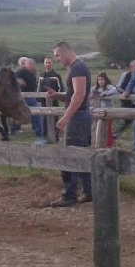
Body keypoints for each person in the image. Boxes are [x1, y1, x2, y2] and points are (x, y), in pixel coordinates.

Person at [47, 41, 92, 207]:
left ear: (65, 52)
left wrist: (66, 117)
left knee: (69, 156)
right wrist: (58, 95)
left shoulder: (77, 68)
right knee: (82, 154)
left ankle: (70, 194)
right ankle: (88, 191)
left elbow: (79, 94)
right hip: (82, 116)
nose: (57, 59)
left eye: (57, 55)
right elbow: (73, 93)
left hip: (78, 118)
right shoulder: (78, 67)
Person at [15, 57, 44, 143]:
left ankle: (38, 130)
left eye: (32, 64)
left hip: (32, 95)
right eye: (29, 64)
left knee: (36, 113)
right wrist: (19, 82)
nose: (31, 65)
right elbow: (14, 79)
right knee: (21, 112)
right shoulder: (20, 71)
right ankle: (15, 129)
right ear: (25, 64)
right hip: (24, 96)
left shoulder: (32, 72)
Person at [38, 56, 63, 141]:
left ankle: (56, 137)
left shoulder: (56, 76)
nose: (48, 64)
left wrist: (56, 96)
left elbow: (61, 88)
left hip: (54, 101)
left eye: (49, 62)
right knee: (44, 119)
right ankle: (44, 137)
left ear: (52, 64)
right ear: (44, 64)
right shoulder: (41, 75)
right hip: (43, 101)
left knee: (55, 118)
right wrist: (39, 98)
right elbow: (39, 88)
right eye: (46, 62)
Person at [90, 72, 118, 147]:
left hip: (107, 111)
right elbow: (89, 91)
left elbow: (114, 90)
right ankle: (95, 142)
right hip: (98, 111)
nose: (100, 81)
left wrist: (106, 93)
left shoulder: (108, 87)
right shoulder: (95, 88)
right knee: (95, 127)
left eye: (102, 80)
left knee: (107, 128)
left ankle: (108, 144)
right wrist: (91, 93)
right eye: (99, 80)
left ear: (105, 80)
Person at [113, 59, 135, 139]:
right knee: (125, 120)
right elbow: (118, 87)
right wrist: (126, 93)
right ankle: (115, 135)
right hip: (126, 101)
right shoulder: (125, 75)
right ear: (130, 68)